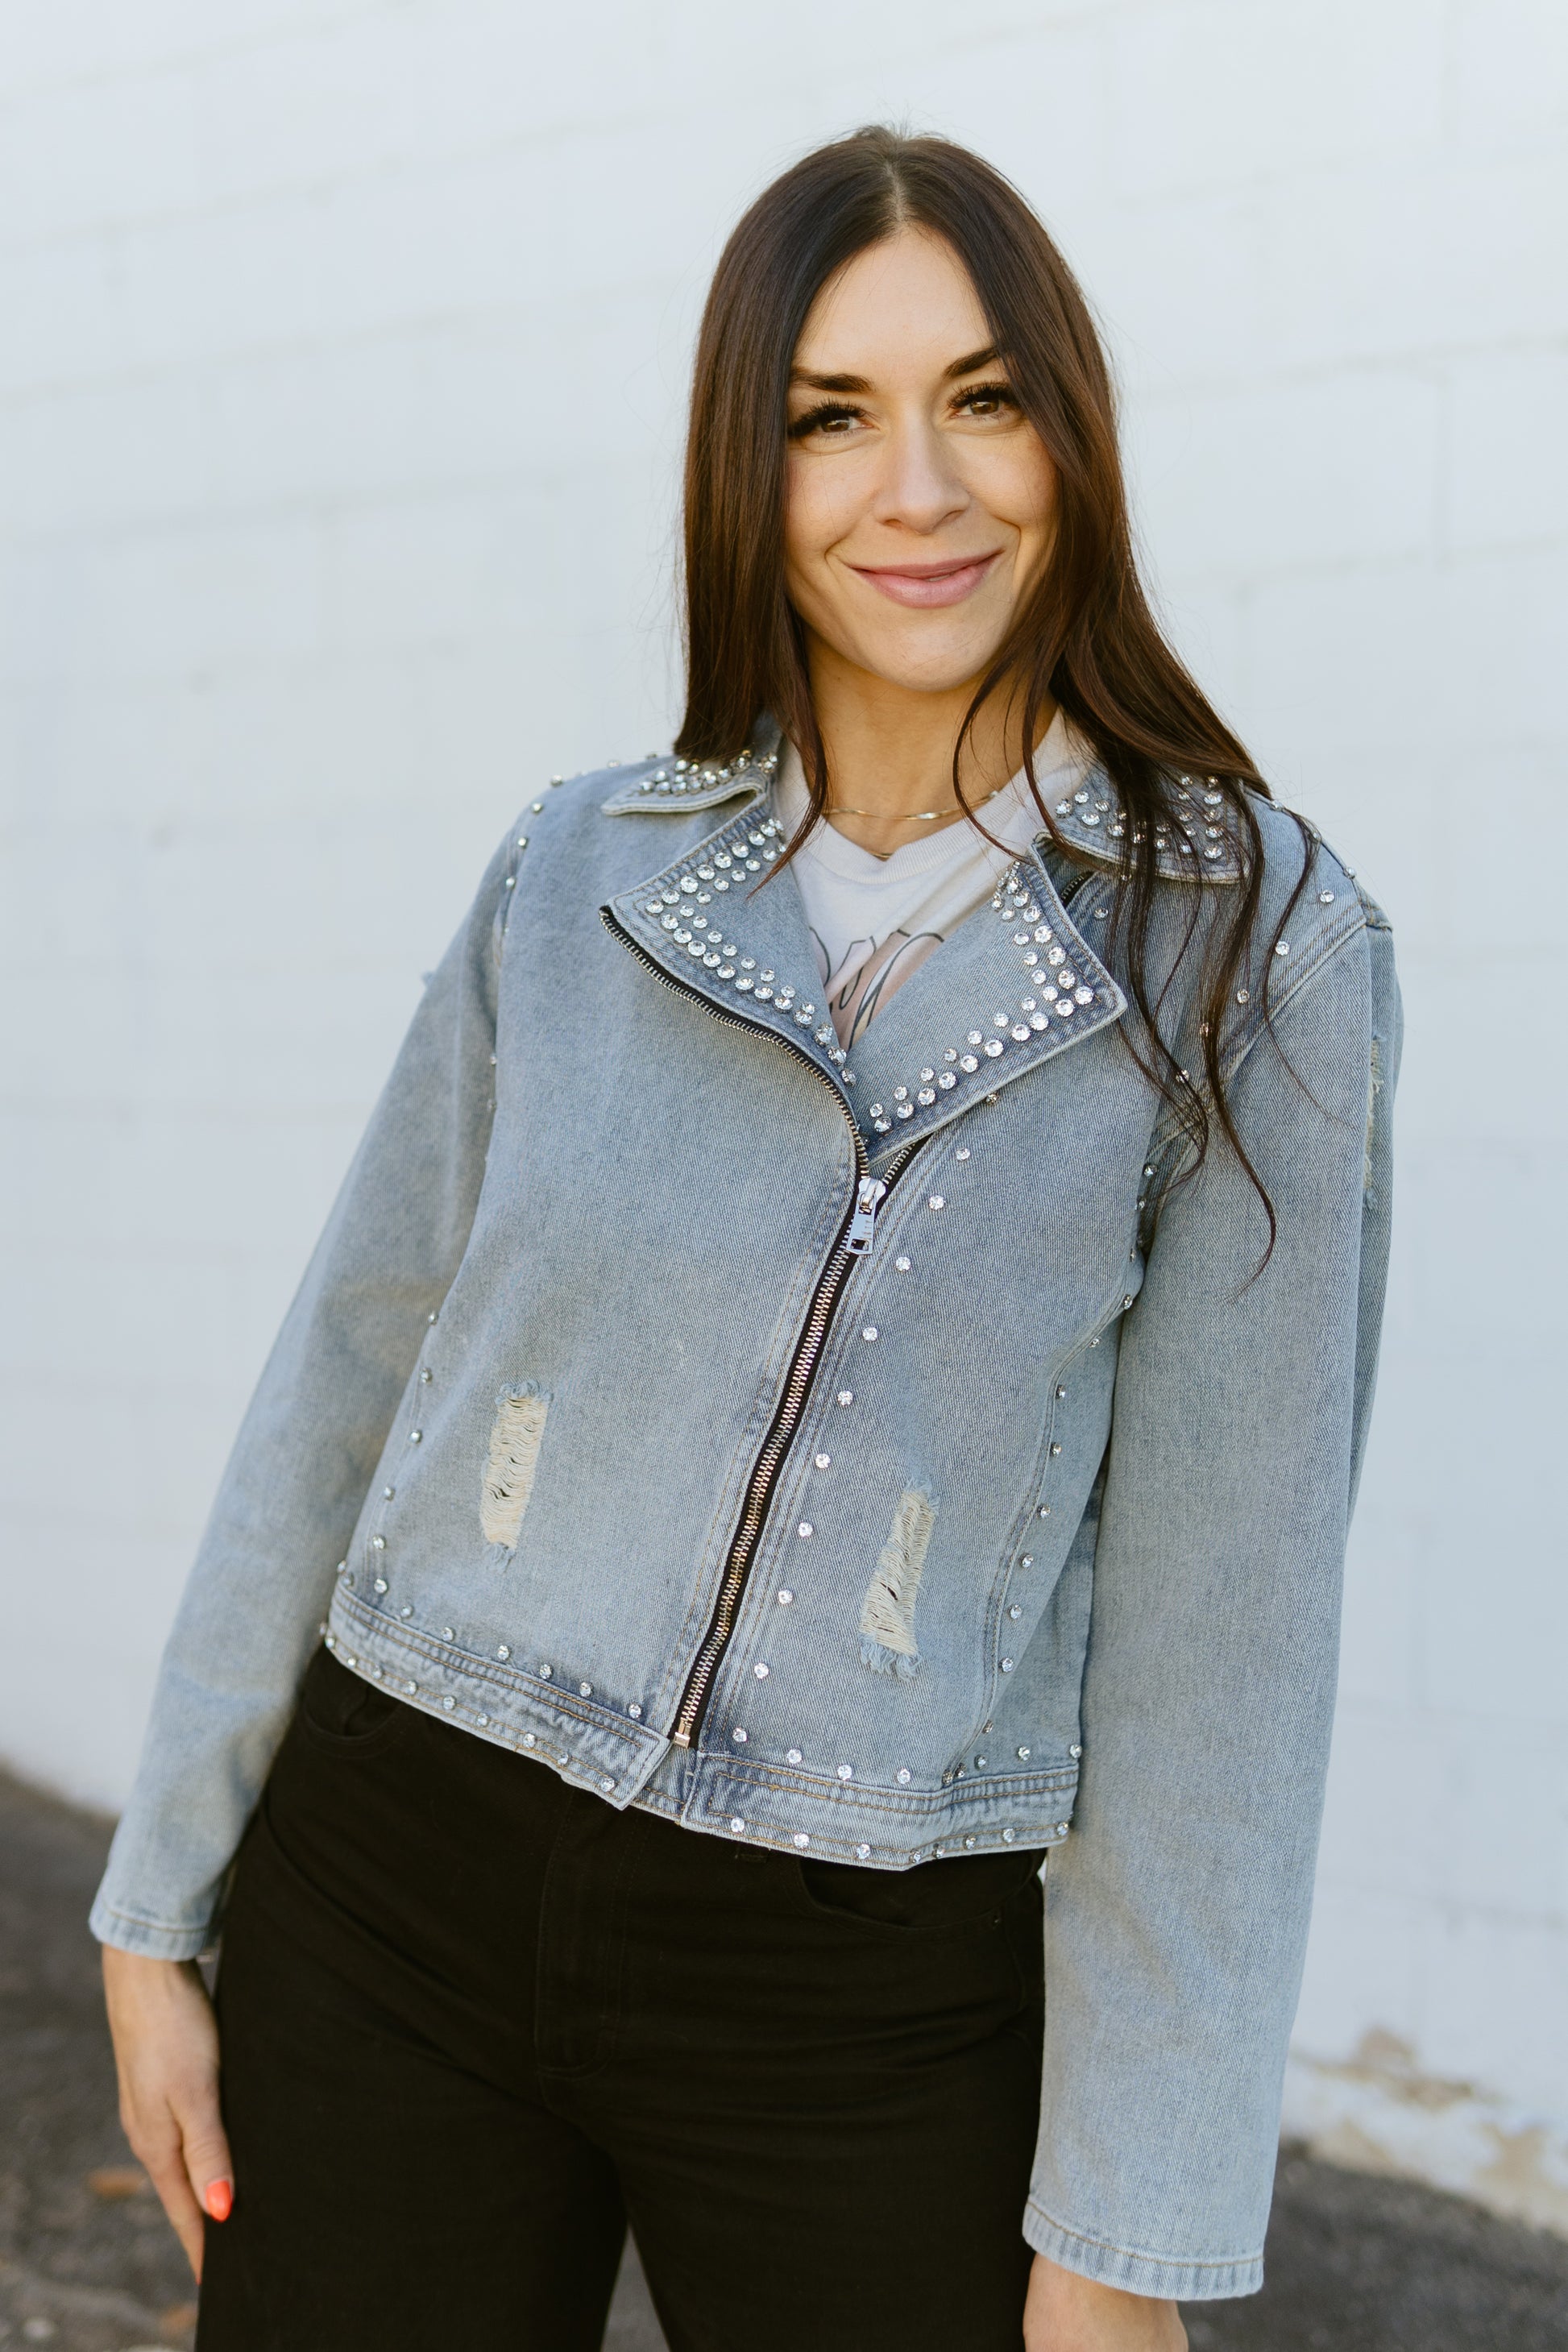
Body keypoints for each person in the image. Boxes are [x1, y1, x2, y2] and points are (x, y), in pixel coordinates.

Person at [93, 127, 1400, 2352]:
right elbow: (349, 1366)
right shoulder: (577, 869)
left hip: (869, 1983)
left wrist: (1123, 2232)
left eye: (982, 399)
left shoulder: (1250, 948)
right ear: (743, 468)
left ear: (1068, 434)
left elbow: (1223, 1644)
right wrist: (157, 1904)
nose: (921, 487)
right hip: (394, 1875)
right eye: (830, 417)